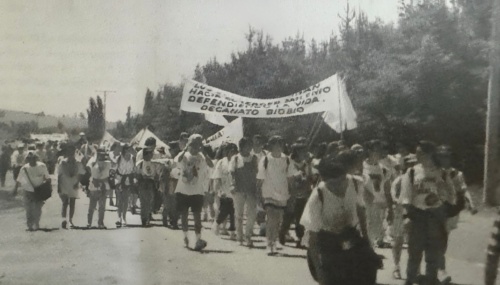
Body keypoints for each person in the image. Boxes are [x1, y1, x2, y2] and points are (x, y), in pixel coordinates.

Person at [300, 154, 379, 285]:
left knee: (368, 271)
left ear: (345, 176)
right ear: (324, 180)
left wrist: (366, 241)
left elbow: (361, 210)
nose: (337, 186)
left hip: (351, 236)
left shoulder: (356, 183)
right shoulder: (318, 196)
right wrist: (320, 274)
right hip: (327, 242)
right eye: (332, 183)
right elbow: (313, 240)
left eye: (341, 181)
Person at [400, 140, 465, 285]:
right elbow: (406, 195)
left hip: (436, 218)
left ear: (429, 154)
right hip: (418, 216)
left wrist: (441, 199)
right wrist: (406, 216)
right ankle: (410, 280)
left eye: (420, 153)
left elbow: (451, 194)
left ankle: (430, 281)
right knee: (414, 255)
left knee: (433, 256)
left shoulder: (441, 172)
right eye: (416, 153)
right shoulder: (411, 172)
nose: (417, 156)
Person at [257, 136, 298, 255]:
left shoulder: (287, 160)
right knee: (271, 219)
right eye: (276, 144)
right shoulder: (265, 160)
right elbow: (259, 179)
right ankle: (270, 244)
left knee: (278, 221)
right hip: (268, 193)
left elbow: (290, 178)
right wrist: (259, 195)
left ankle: (273, 241)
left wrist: (292, 195)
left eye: (281, 144)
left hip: (282, 194)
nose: (279, 147)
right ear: (271, 146)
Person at [175, 134, 214, 251]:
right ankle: (185, 236)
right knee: (184, 215)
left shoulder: (202, 157)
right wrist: (185, 148)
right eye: (194, 144)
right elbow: (177, 160)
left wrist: (204, 153)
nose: (196, 148)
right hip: (183, 190)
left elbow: (211, 165)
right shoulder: (183, 155)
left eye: (198, 145)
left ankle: (198, 239)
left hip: (197, 191)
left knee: (197, 217)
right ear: (189, 144)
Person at [279, 143, 313, 248]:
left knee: (300, 218)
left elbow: (309, 177)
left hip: (302, 194)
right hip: (291, 194)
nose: (305, 153)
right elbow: (287, 178)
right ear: (297, 152)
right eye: (303, 151)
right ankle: (282, 232)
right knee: (289, 216)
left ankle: (300, 239)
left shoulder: (306, 164)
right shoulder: (289, 162)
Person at [390, 154, 417, 280]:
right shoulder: (399, 180)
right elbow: (394, 196)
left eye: (414, 164)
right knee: (398, 241)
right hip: (400, 213)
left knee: (414, 242)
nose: (412, 166)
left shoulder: (419, 178)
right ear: (404, 165)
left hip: (415, 213)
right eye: (409, 164)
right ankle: (396, 267)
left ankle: (414, 269)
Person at [363, 139, 394, 248]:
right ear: (369, 151)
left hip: (380, 204)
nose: (379, 153)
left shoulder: (385, 170)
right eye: (377, 150)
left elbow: (387, 190)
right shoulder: (361, 167)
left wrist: (390, 209)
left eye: (381, 150)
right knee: (366, 231)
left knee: (375, 232)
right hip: (365, 205)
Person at [229, 137, 259, 247]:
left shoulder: (254, 158)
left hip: (251, 190)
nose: (249, 148)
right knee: (239, 214)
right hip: (239, 189)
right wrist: (232, 185)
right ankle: (239, 237)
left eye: (250, 145)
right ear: (241, 147)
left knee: (251, 214)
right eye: (247, 145)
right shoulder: (235, 158)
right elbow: (232, 173)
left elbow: (258, 173)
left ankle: (248, 236)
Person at [12, 151, 50, 231]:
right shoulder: (24, 168)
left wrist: (46, 188)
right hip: (27, 191)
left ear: (36, 158)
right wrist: (15, 189)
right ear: (27, 159)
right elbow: (19, 180)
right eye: (29, 158)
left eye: (33, 158)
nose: (31, 160)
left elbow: (47, 178)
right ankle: (29, 225)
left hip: (39, 190)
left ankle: (36, 223)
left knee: (37, 208)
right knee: (28, 208)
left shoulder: (42, 166)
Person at [212, 143, 238, 240]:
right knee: (225, 211)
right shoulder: (221, 162)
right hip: (224, 190)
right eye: (230, 151)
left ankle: (232, 231)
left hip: (235, 190)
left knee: (233, 212)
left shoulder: (238, 161)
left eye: (234, 151)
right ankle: (217, 224)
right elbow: (217, 177)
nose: (232, 153)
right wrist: (218, 190)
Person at [57, 144, 85, 229]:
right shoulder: (63, 162)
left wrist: (78, 183)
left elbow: (80, 173)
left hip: (73, 183)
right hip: (64, 183)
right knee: (65, 203)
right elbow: (59, 174)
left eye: (72, 152)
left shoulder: (78, 162)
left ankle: (70, 220)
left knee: (72, 202)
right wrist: (58, 186)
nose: (70, 154)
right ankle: (64, 220)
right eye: (69, 152)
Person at [135, 147, 163, 227]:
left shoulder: (154, 163)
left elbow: (157, 173)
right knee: (143, 202)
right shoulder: (140, 163)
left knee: (150, 202)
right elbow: (137, 173)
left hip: (151, 183)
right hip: (143, 183)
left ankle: (147, 217)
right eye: (150, 154)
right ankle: (144, 219)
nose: (151, 155)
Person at [86, 148, 111, 229]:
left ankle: (100, 222)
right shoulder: (92, 161)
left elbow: (111, 169)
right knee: (92, 206)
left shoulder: (108, 163)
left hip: (104, 185)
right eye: (100, 154)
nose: (101, 155)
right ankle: (89, 223)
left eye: (103, 154)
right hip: (94, 184)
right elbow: (88, 170)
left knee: (102, 206)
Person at [115, 144, 135, 227]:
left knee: (126, 200)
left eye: (129, 149)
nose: (128, 151)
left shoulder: (132, 158)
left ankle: (124, 217)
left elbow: (133, 169)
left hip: (127, 180)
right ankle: (118, 217)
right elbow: (115, 169)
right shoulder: (119, 158)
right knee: (119, 200)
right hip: (119, 179)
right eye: (126, 149)